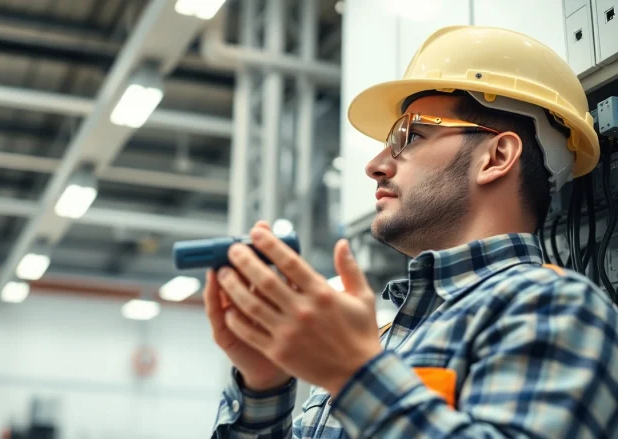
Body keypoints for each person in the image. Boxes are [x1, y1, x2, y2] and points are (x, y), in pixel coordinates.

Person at [205, 25, 618, 438]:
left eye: (411, 135)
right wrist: (263, 388)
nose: (375, 165)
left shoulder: (557, 309)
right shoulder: (381, 343)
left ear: (496, 156)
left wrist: (354, 375)